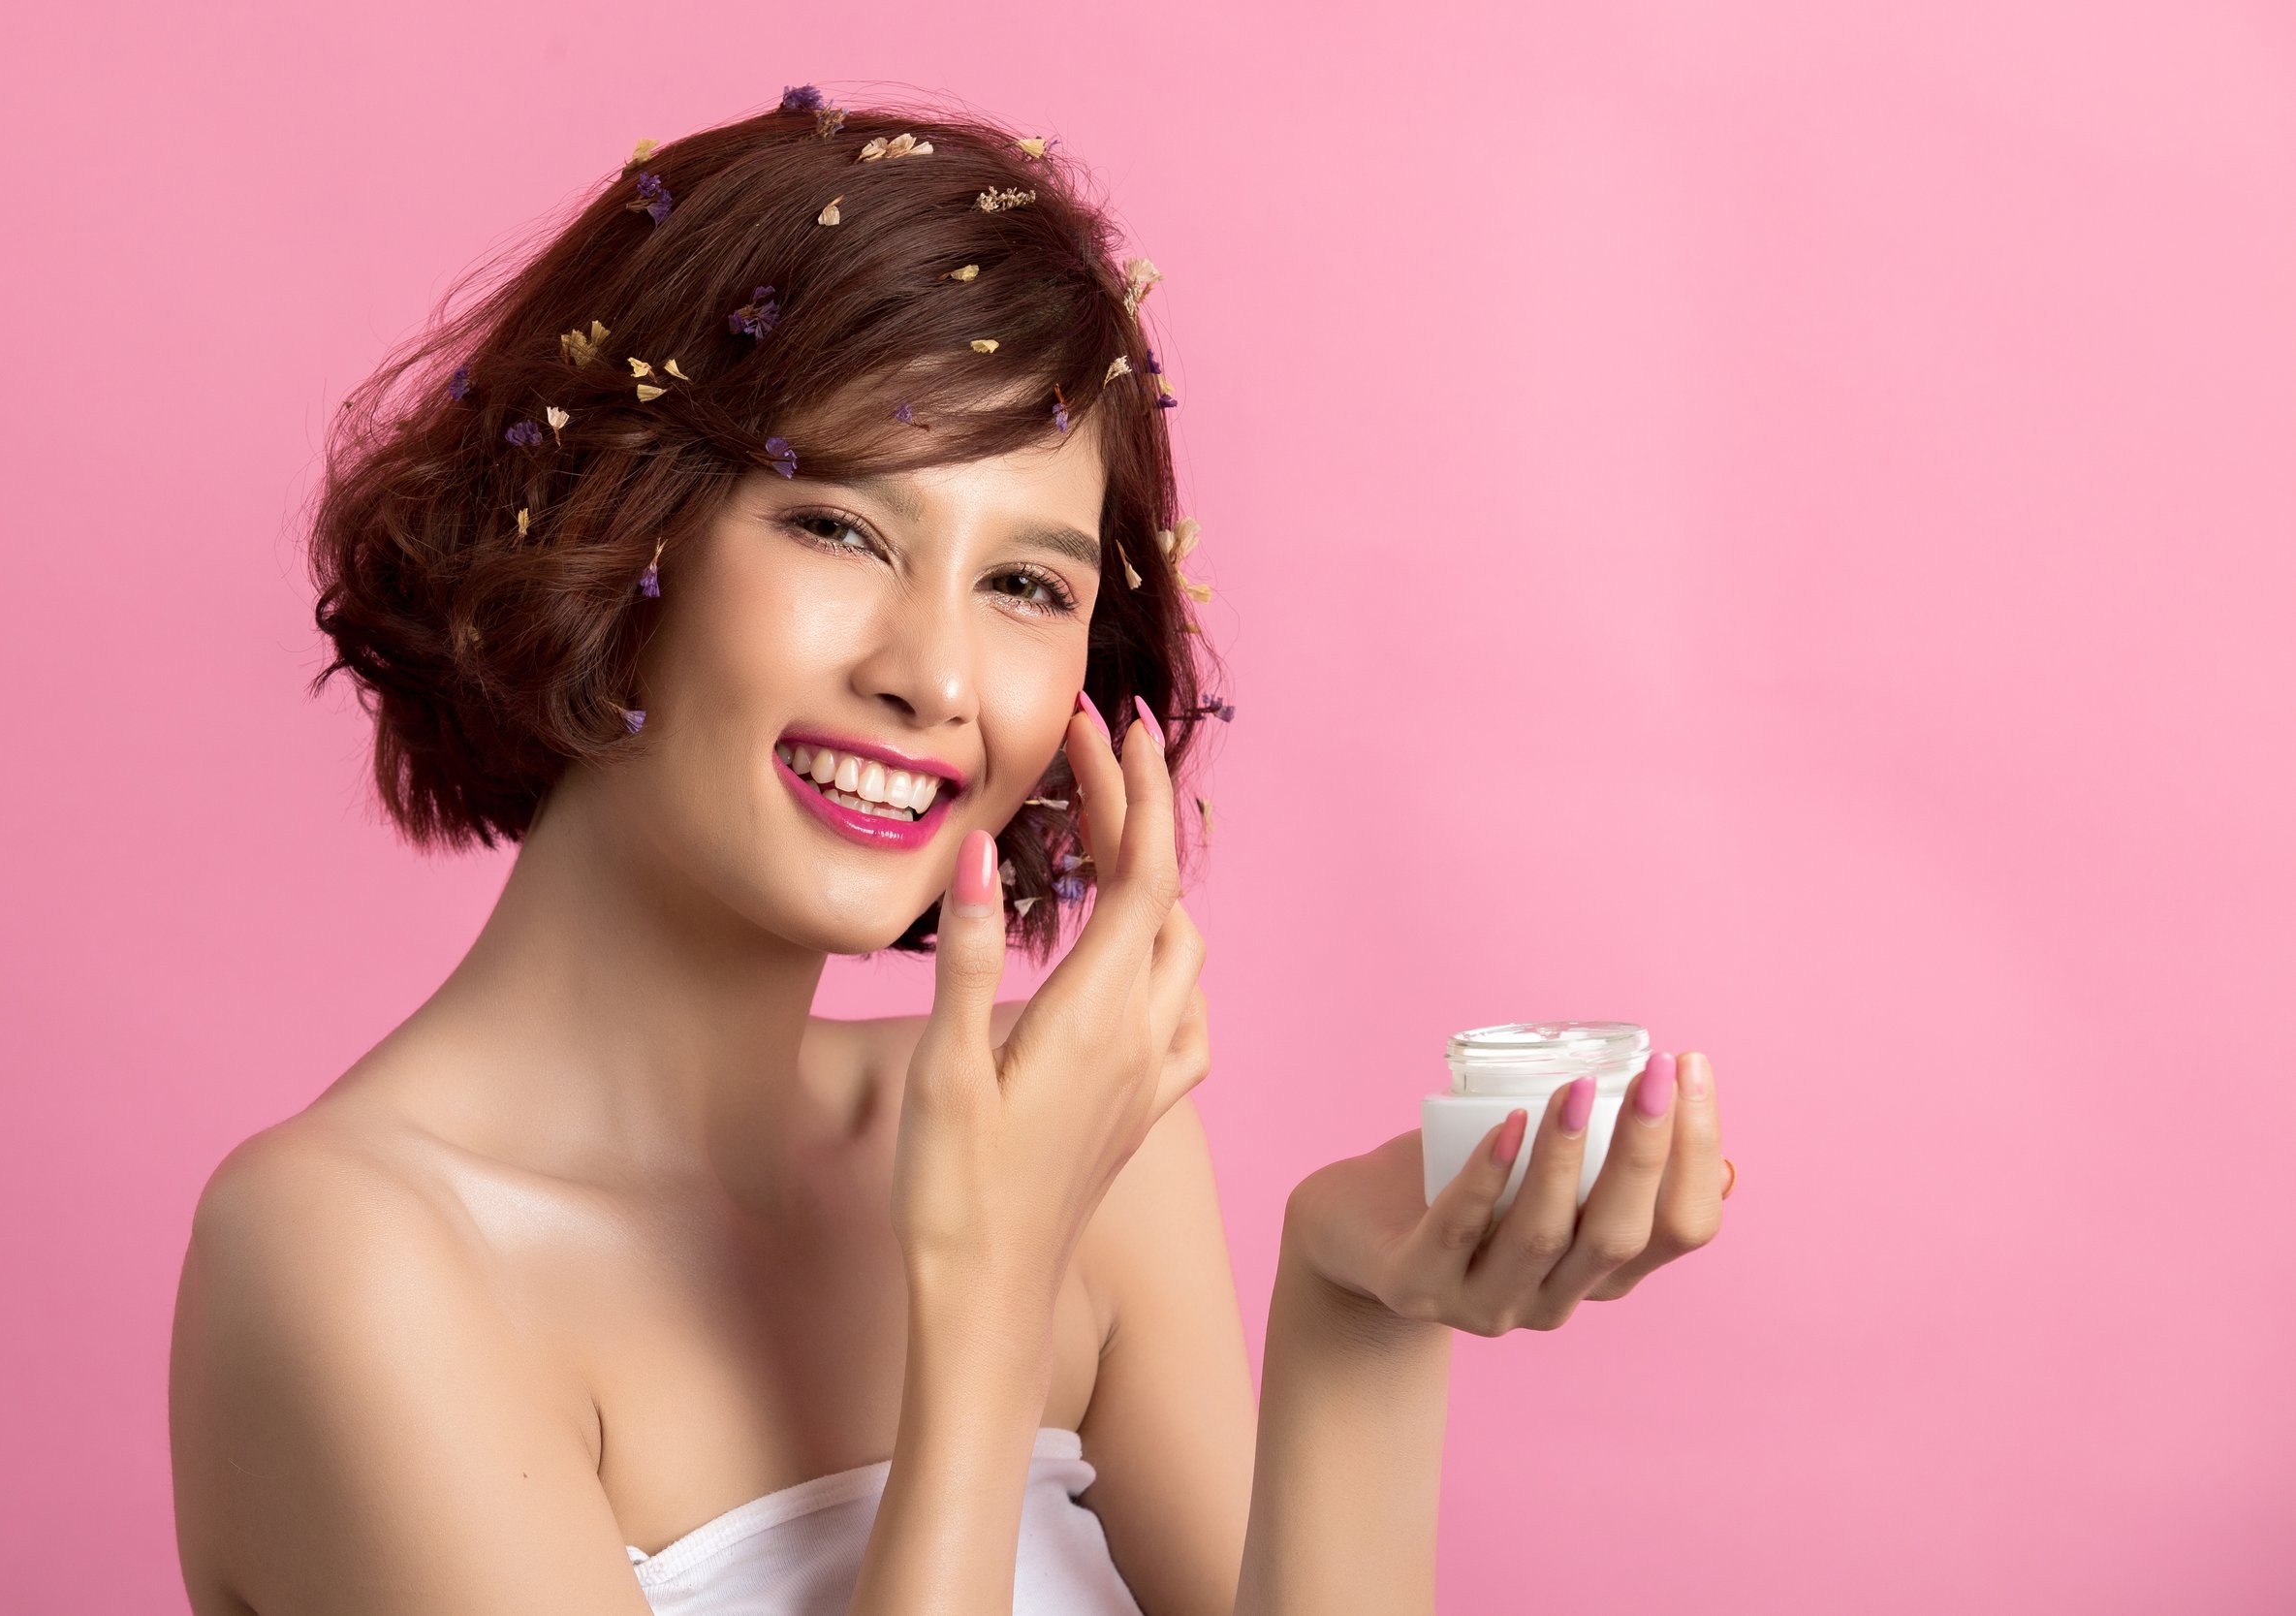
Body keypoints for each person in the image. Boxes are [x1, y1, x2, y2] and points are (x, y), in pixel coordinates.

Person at [168, 90, 1730, 1616]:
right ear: (614, 526)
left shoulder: (1059, 1147)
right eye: (838, 528)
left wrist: (1356, 1308)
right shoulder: (345, 1263)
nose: (939, 675)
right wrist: (987, 1304)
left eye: (1028, 587)